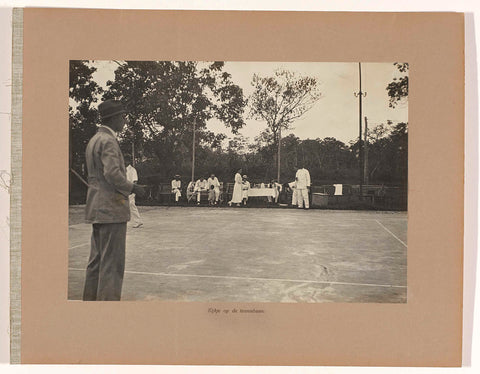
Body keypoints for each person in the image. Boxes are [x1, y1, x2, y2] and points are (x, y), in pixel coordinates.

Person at [83, 99, 146, 301]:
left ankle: (89, 307)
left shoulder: (94, 140)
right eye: (123, 116)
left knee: (96, 262)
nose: (125, 121)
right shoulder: (109, 141)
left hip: (96, 208)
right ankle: (107, 314)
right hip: (111, 210)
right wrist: (133, 187)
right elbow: (112, 174)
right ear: (116, 118)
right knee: (112, 264)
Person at [125, 155, 143, 228]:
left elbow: (135, 181)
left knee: (132, 205)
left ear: (128, 161)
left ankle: (138, 221)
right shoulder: (122, 169)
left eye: (125, 160)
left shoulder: (132, 170)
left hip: (130, 191)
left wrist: (132, 190)